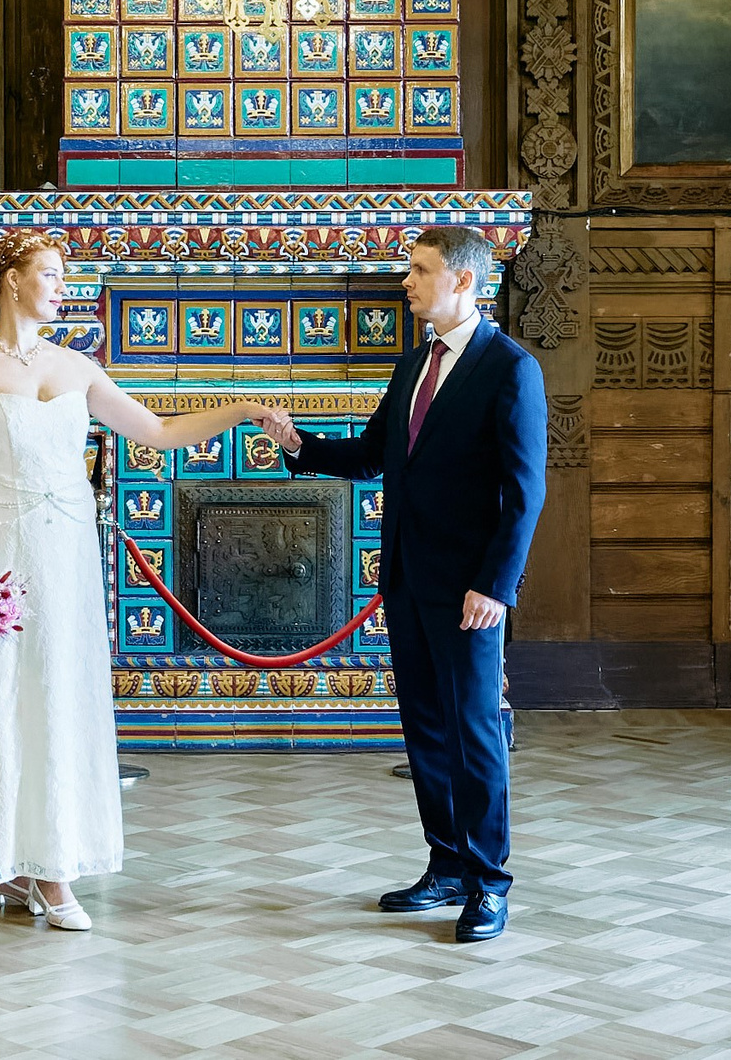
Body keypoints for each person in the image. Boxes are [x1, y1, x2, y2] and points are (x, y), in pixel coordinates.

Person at [0, 228, 283, 931]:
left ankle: (54, 867)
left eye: (61, 275)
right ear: (12, 282)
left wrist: (243, 409)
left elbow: (160, 432)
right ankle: (11, 865)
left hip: (67, 555)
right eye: (49, 274)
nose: (62, 287)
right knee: (2, 698)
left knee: (58, 696)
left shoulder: (78, 368)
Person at [262, 223, 547, 943]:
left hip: (471, 594)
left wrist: (496, 585)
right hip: (407, 580)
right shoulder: (412, 365)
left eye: (420, 271)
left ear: (463, 281)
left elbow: (526, 492)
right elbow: (370, 455)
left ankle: (489, 884)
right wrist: (300, 446)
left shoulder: (511, 368)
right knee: (425, 729)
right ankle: (446, 866)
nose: (407, 282)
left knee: (475, 733)